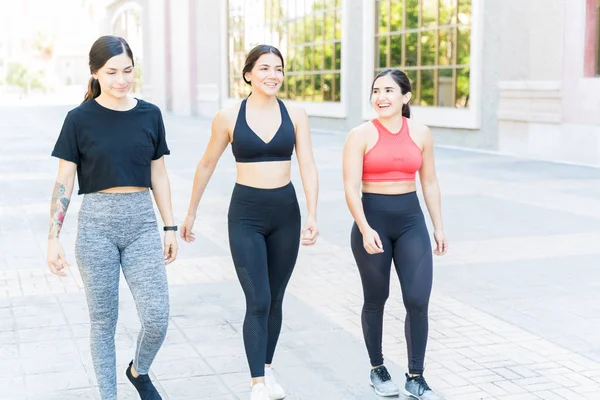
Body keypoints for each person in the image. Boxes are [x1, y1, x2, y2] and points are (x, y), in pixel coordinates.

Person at [180, 44, 319, 400]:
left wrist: (313, 214)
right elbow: (207, 163)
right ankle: (257, 383)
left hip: (286, 214)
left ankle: (267, 371)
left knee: (275, 299)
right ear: (248, 74)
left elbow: (307, 165)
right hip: (246, 215)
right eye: (264, 68)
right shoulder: (229, 117)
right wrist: (191, 211)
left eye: (279, 69)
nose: (273, 75)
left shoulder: (297, 114)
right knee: (257, 299)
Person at [46, 35, 177, 400]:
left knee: (157, 317)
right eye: (112, 72)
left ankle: (139, 370)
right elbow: (64, 180)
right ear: (95, 73)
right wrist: (53, 237)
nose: (121, 80)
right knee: (103, 323)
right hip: (96, 228)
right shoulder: (78, 119)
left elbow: (159, 174)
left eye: (128, 71)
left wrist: (170, 226)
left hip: (141, 225)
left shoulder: (150, 114)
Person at [342, 68, 448, 399]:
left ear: (406, 97)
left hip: (410, 223)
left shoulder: (421, 133)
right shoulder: (360, 134)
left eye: (389, 90)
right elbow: (350, 186)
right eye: (376, 91)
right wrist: (363, 227)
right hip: (372, 223)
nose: (381, 97)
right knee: (376, 299)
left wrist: (438, 226)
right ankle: (377, 368)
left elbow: (429, 181)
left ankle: (416, 376)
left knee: (417, 299)